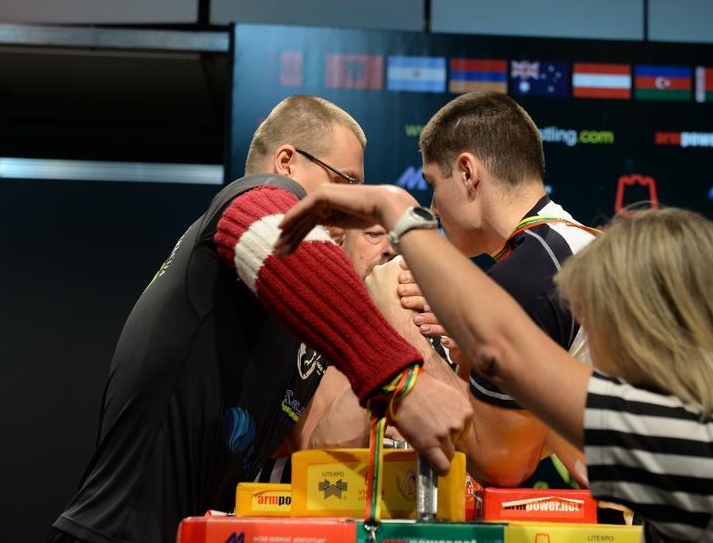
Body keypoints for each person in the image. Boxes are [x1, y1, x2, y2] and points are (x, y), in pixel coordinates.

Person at [275, 189, 713, 541]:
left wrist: (397, 213)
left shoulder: (706, 458)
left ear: (655, 338)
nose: (595, 357)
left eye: (600, 328)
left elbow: (503, 352)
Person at [49, 96, 471, 543]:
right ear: (286, 162)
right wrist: (398, 378)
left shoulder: (289, 318)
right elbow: (270, 232)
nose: (350, 210)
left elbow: (318, 444)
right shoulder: (252, 198)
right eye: (344, 181)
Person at [399, 91, 598, 486]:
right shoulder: (568, 243)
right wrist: (474, 348)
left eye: (433, 183)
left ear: (468, 172)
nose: (434, 208)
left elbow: (502, 463)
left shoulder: (527, 276)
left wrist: (404, 334)